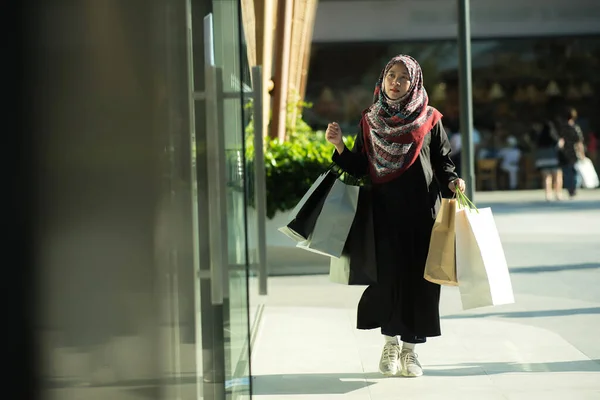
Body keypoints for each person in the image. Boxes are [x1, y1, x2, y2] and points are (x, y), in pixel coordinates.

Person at [325, 55, 465, 378]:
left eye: (404, 77)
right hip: (383, 215)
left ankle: (411, 351)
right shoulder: (370, 120)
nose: (396, 81)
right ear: (383, 78)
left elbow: (443, 161)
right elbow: (362, 166)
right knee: (386, 278)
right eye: (391, 74)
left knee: (421, 281)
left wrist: (453, 180)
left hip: (422, 216)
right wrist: (339, 148)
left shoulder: (430, 118)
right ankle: (389, 343)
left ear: (414, 82)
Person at [558, 107, 585, 199]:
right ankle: (573, 188)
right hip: (573, 151)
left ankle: (569, 188)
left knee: (566, 171)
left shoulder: (562, 128)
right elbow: (579, 141)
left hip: (564, 152)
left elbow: (560, 141)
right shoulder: (575, 128)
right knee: (574, 171)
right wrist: (582, 153)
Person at [534, 121, 563, 201]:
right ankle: (558, 194)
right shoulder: (553, 136)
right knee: (557, 177)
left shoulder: (540, 137)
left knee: (546, 178)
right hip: (554, 159)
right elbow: (559, 146)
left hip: (543, 160)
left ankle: (548, 195)